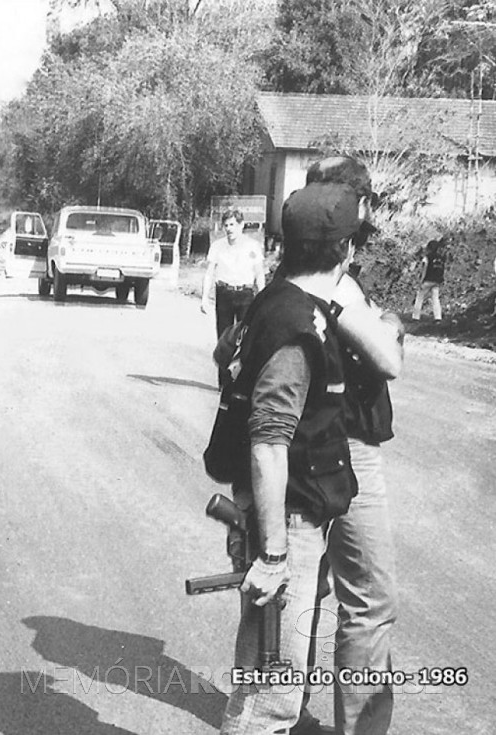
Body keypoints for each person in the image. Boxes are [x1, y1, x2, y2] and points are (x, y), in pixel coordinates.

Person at [212, 182, 361, 735]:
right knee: (267, 698)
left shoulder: (270, 303)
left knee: (273, 686)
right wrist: (274, 554)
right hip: (287, 522)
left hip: (285, 512)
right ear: (347, 251)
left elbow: (223, 353)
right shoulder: (299, 325)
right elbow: (270, 438)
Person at [289, 155, 403, 735]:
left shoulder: (290, 276)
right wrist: (384, 325)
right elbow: (389, 357)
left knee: (302, 593)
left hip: (304, 447)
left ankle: (280, 716)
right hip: (347, 448)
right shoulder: (338, 284)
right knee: (368, 602)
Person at [202, 210, 266, 385]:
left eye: (232, 225)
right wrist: (204, 299)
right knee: (224, 338)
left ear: (241, 225)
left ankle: (241, 382)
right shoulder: (217, 246)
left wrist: (263, 297)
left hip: (245, 295)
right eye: (226, 225)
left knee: (246, 338)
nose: (229, 229)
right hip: (224, 294)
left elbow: (259, 273)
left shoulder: (252, 246)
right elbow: (209, 273)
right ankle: (224, 382)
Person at [412, 237, 446, 321]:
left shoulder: (427, 257)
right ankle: (438, 318)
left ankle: (415, 317)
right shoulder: (441, 258)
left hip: (427, 280)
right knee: (435, 299)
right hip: (437, 281)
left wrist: (421, 281)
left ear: (429, 248)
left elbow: (424, 269)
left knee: (419, 297)